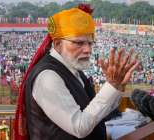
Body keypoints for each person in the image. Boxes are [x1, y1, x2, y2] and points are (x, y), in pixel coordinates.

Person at [14, 4, 140, 140]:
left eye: (90, 43)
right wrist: (111, 85)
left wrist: (117, 87)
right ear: (57, 44)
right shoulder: (48, 77)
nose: (88, 50)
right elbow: (79, 127)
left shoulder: (73, 68)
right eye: (79, 43)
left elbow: (97, 111)